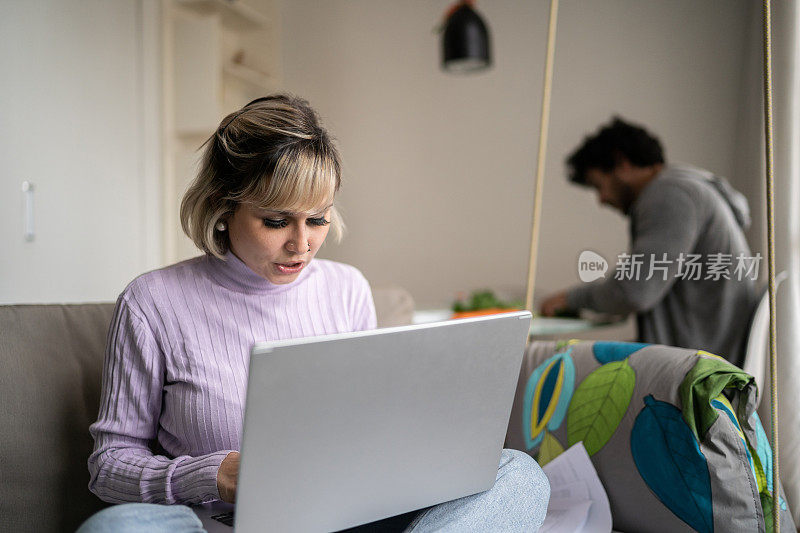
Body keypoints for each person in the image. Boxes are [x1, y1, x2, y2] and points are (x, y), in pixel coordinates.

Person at [77, 94, 550, 532]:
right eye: (277, 221)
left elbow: (375, 430)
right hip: (226, 524)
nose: (301, 245)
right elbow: (109, 466)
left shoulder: (347, 289)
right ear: (224, 207)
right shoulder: (152, 303)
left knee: (520, 475)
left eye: (318, 219)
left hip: (351, 520)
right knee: (112, 529)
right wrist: (213, 474)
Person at [540, 117, 759, 366]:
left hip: (698, 370)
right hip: (711, 355)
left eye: (599, 185)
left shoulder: (670, 195)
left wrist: (571, 298)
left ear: (622, 163)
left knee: (557, 370)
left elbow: (634, 291)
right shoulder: (689, 188)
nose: (601, 199)